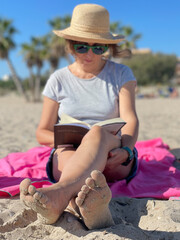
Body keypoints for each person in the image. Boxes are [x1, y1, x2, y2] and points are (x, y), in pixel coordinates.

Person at [20, 3, 139, 230]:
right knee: (66, 151)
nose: (90, 53)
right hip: (70, 151)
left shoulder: (122, 74)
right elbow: (42, 131)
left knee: (96, 133)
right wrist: (70, 139)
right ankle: (85, 206)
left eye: (98, 47)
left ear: (107, 46)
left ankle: (58, 195)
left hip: (113, 153)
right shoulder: (58, 79)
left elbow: (130, 119)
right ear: (70, 46)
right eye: (82, 46)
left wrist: (127, 149)